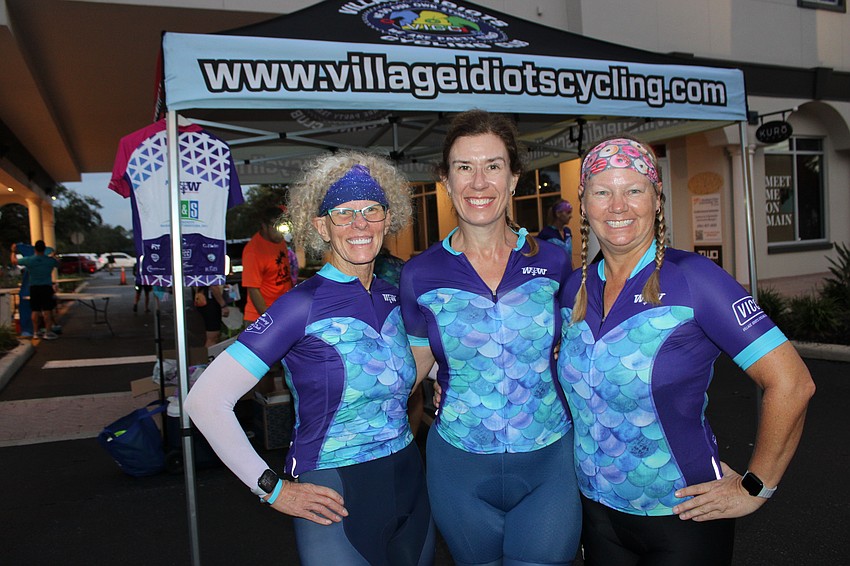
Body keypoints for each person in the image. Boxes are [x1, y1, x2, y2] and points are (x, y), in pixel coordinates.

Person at [557, 136, 816, 565]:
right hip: (597, 512)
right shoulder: (576, 288)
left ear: (657, 200)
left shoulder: (696, 279)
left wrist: (755, 485)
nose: (618, 205)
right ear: (584, 204)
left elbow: (792, 383)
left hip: (683, 516)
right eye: (602, 191)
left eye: (634, 190)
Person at [185, 151, 435, 566]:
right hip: (332, 489)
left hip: (409, 481)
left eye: (372, 211)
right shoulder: (299, 306)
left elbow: (421, 364)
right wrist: (272, 488)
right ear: (321, 225)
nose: (360, 224)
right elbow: (205, 401)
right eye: (343, 213)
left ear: (387, 220)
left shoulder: (396, 296)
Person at [400, 109, 581, 566]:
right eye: (464, 167)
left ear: (514, 178)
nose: (478, 182)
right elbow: (408, 370)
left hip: (549, 460)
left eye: (493, 166)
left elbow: (589, 356)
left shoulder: (555, 261)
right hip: (459, 465)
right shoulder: (420, 273)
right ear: (445, 179)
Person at [241, 206, 294, 326]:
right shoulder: (253, 251)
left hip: (282, 312)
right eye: (276, 227)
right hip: (259, 317)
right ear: (264, 226)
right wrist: (268, 319)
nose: (281, 233)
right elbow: (253, 289)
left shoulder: (279, 241)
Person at [11, 241, 60, 340]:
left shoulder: (30, 260)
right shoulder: (49, 261)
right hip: (46, 287)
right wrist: (54, 255)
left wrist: (13, 251)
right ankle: (48, 332)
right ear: (44, 249)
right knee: (47, 311)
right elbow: (58, 263)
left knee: (35, 310)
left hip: (34, 287)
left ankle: (35, 332)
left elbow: (14, 261)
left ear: (35, 249)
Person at [537, 199, 574, 268]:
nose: (571, 216)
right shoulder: (546, 234)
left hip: (567, 271)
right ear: (558, 214)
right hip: (553, 272)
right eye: (568, 212)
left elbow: (570, 256)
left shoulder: (567, 231)